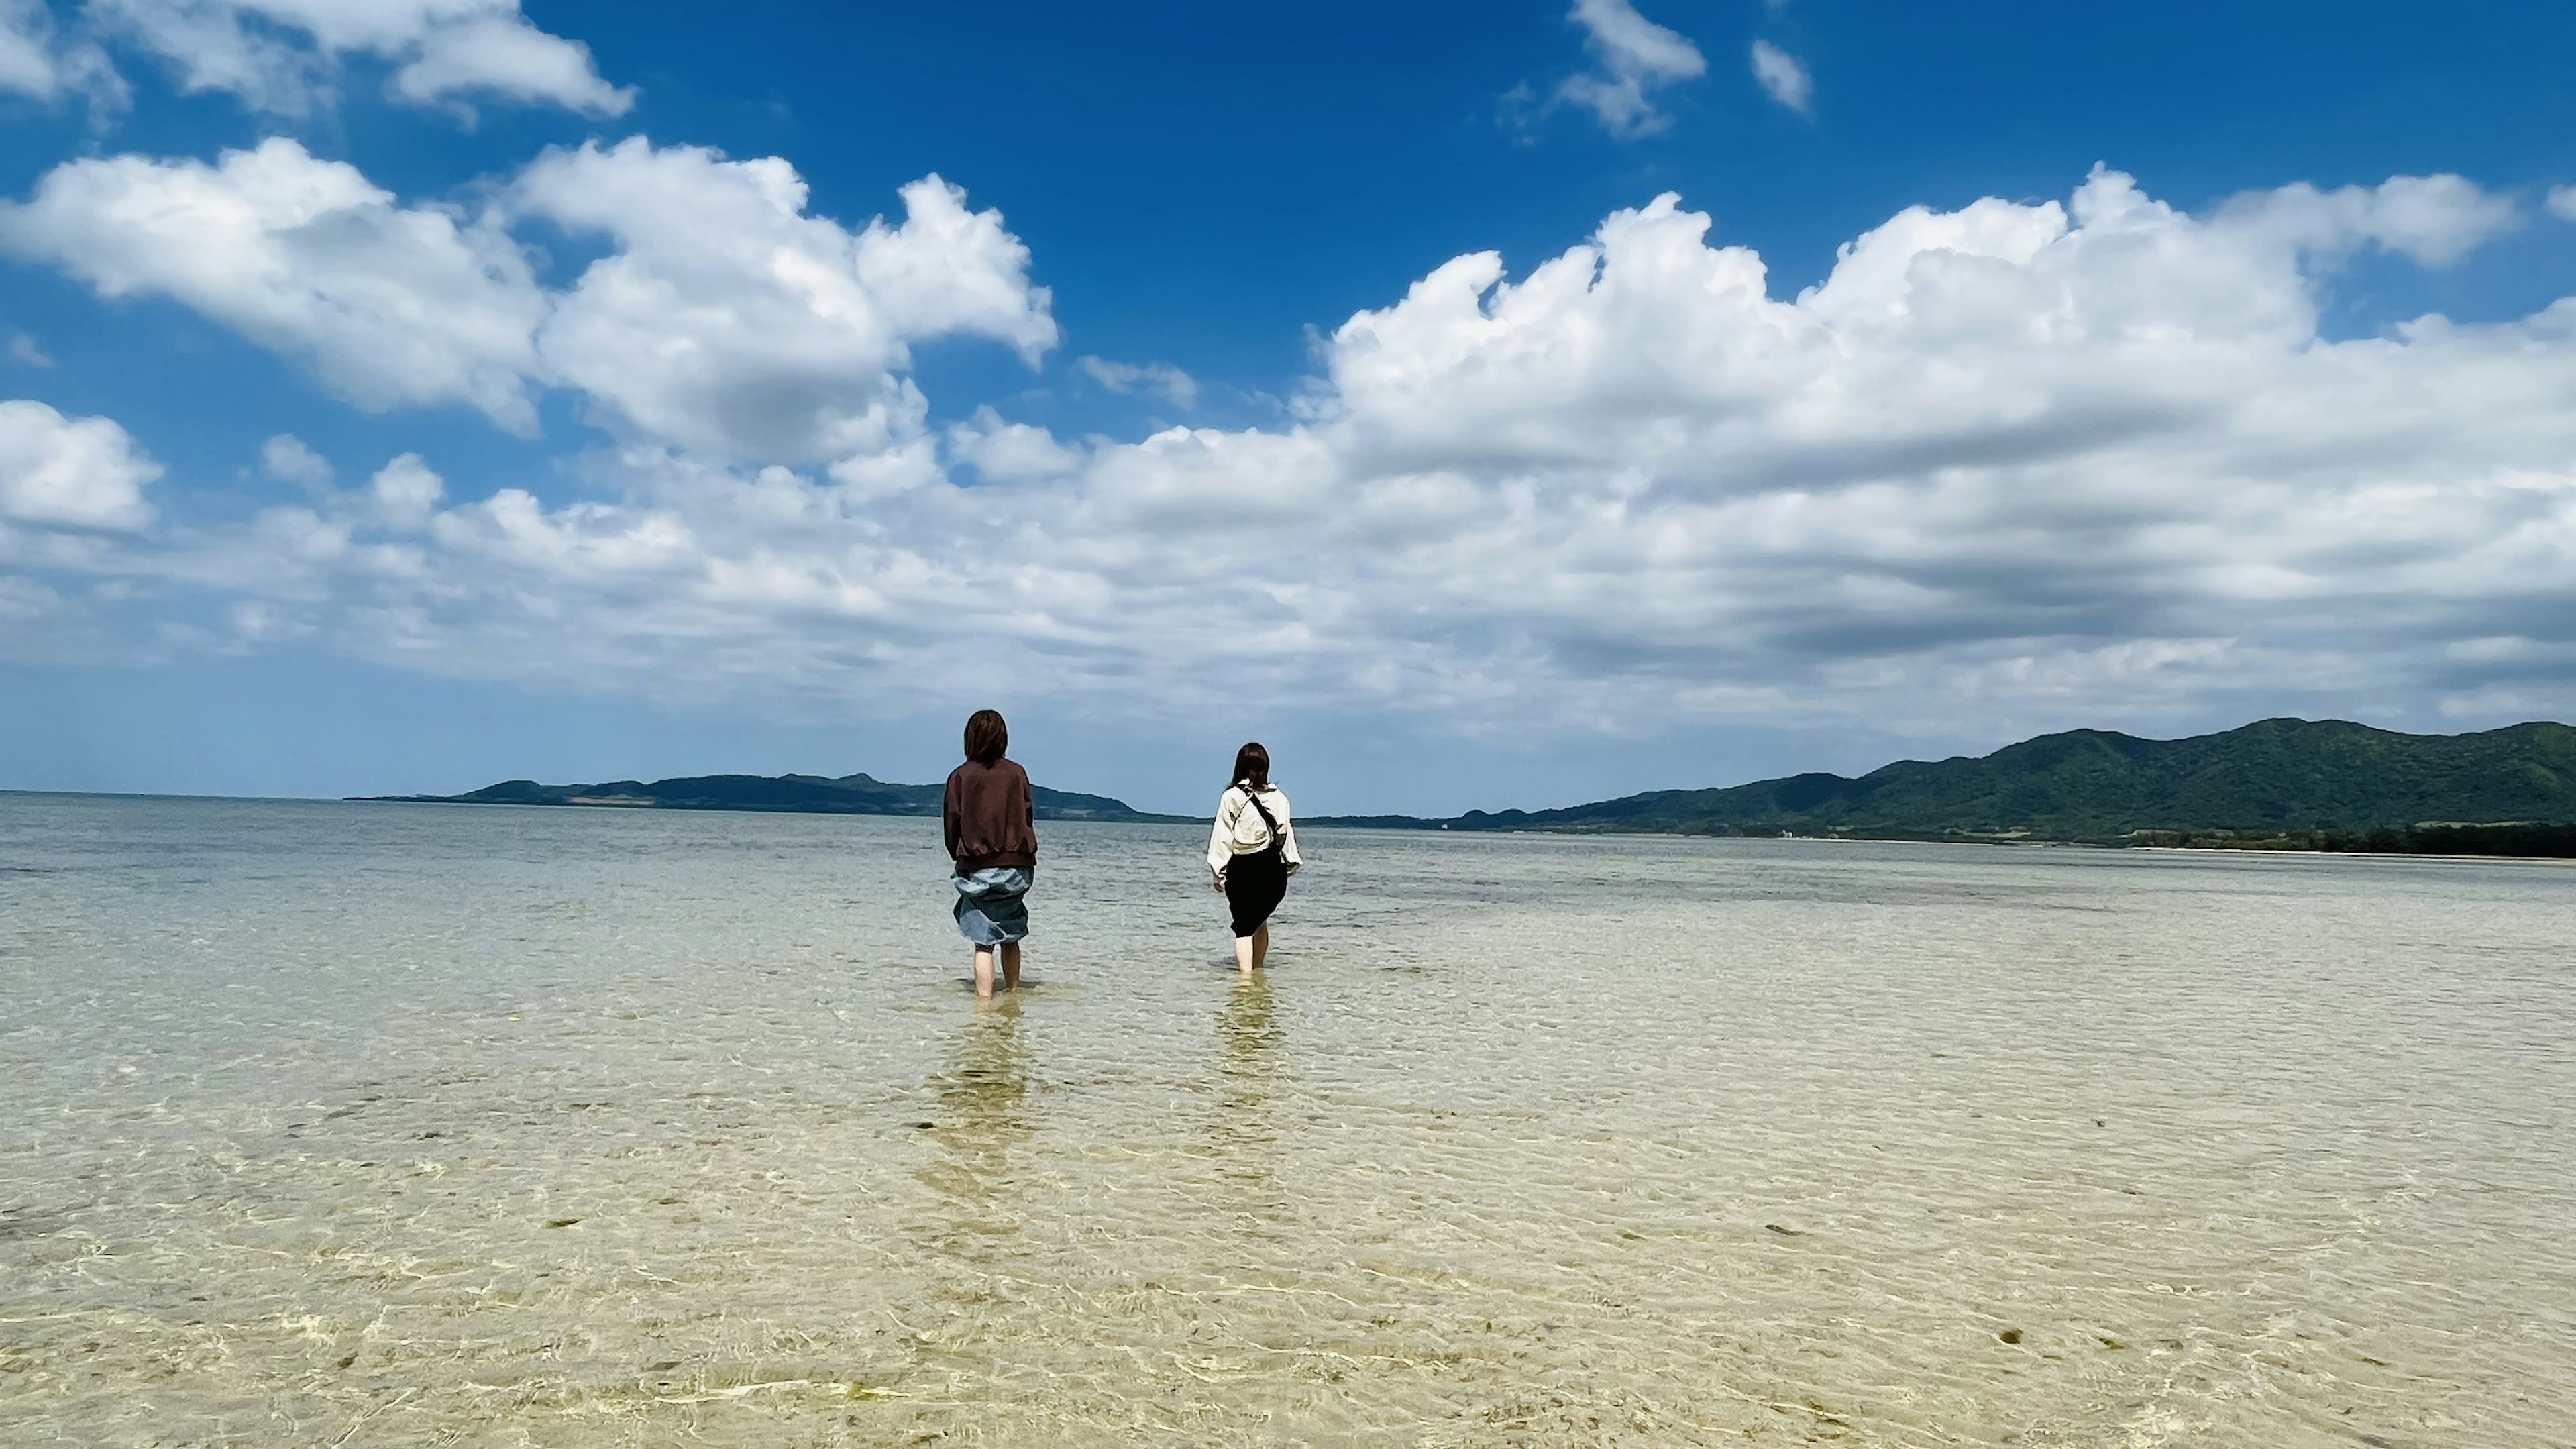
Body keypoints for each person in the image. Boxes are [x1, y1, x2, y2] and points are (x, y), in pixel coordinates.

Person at [943, 709, 1036, 998]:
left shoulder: (961, 776)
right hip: (1017, 864)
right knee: (1011, 936)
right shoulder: (1017, 774)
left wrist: (959, 856)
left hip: (978, 863)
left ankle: (984, 1007)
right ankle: (1012, 995)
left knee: (983, 942)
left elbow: (952, 822)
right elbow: (1027, 815)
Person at [1208, 741, 1301, 974]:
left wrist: (1218, 872)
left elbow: (1222, 836)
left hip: (1242, 866)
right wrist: (1291, 862)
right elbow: (1284, 833)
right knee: (1260, 920)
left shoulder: (1231, 797)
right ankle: (1257, 972)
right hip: (1270, 866)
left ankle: (1246, 980)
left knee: (1243, 927)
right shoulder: (1279, 798)